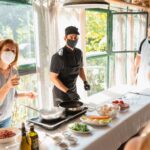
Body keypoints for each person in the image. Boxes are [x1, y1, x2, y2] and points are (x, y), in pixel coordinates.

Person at [0, 39, 37, 128]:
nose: (10, 53)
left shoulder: (14, 71)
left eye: (13, 51)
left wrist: (26, 94)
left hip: (7, 118)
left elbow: (12, 94)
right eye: (7, 50)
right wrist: (8, 85)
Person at [50, 26, 90, 106]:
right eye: (71, 37)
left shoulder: (79, 53)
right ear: (65, 38)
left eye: (76, 37)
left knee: (75, 114)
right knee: (63, 116)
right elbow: (53, 78)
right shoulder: (58, 56)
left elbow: (80, 68)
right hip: (60, 92)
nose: (74, 39)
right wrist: (68, 91)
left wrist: (85, 81)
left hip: (73, 90)